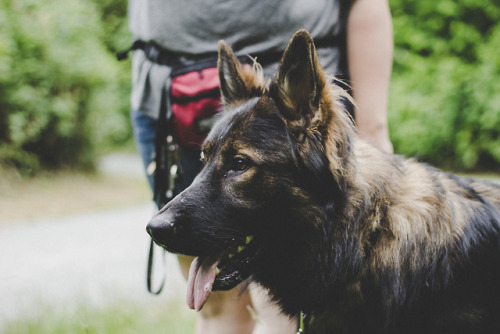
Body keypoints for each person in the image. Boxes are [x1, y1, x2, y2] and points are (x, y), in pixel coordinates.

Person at [127, 0, 393, 333]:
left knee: (283, 304)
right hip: (168, 91)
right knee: (215, 299)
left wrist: (373, 130)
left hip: (294, 96)